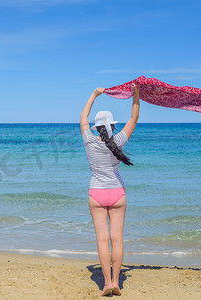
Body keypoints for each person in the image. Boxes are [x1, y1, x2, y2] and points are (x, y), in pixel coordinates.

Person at [80, 84, 140, 296]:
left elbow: (83, 118)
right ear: (112, 127)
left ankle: (106, 283)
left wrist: (94, 95)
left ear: (97, 128)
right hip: (117, 194)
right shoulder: (119, 141)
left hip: (96, 194)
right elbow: (134, 118)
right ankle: (116, 281)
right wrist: (136, 94)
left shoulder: (89, 141)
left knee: (102, 241)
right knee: (117, 240)